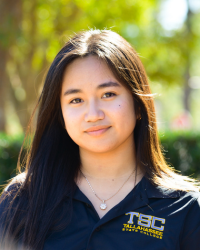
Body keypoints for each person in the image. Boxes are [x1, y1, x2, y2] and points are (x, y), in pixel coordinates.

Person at [0, 29, 200, 250]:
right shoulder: (22, 200)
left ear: (137, 103)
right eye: (76, 100)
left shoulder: (184, 208)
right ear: (61, 114)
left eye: (108, 95)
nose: (94, 114)